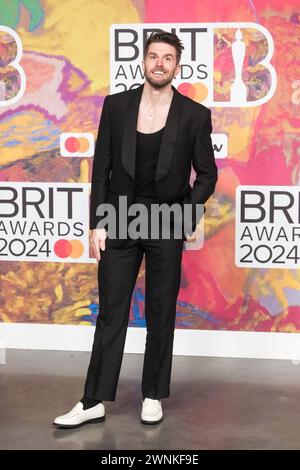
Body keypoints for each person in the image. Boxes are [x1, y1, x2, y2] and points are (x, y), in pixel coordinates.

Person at [53, 31, 218, 429]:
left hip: (165, 220)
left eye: (167, 57)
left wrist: (184, 217)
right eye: (153, 56)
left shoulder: (195, 115)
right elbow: (102, 170)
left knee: (160, 314)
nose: (159, 63)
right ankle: (93, 400)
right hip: (120, 217)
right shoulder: (116, 106)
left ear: (177, 65)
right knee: (111, 312)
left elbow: (208, 175)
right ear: (143, 62)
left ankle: (152, 395)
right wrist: (96, 223)